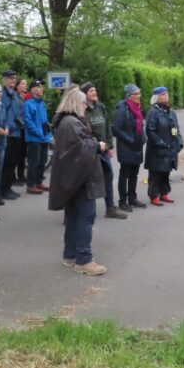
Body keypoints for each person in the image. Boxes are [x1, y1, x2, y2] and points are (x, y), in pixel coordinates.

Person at [48, 87, 107, 276]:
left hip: (72, 178)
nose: (86, 106)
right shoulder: (72, 123)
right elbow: (81, 149)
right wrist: (98, 145)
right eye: (83, 103)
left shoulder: (66, 122)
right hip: (80, 179)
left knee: (73, 217)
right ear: (75, 103)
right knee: (85, 217)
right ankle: (84, 260)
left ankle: (70, 255)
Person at [81, 81, 126, 219]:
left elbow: (107, 126)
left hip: (103, 150)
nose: (94, 93)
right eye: (91, 91)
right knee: (85, 180)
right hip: (90, 151)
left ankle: (110, 208)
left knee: (108, 176)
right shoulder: (81, 110)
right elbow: (82, 132)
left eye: (95, 90)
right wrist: (95, 144)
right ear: (84, 95)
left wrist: (109, 145)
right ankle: (77, 212)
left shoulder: (100, 107)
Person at [144, 86, 184, 207]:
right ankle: (154, 195)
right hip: (157, 149)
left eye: (166, 93)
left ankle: (164, 193)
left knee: (166, 171)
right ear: (156, 98)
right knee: (156, 172)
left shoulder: (171, 112)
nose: (166, 95)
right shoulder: (153, 112)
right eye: (162, 94)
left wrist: (179, 141)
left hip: (170, 147)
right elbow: (150, 131)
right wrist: (160, 143)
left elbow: (176, 129)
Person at [112, 84, 147, 212]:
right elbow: (115, 129)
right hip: (126, 147)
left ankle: (132, 198)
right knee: (124, 175)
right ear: (129, 96)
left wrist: (143, 138)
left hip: (137, 146)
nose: (139, 96)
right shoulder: (122, 110)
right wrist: (130, 140)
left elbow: (140, 126)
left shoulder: (138, 108)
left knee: (134, 174)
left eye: (139, 93)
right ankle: (123, 201)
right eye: (136, 94)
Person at [23, 80, 52, 194]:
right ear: (33, 89)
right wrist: (36, 132)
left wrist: (48, 134)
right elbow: (28, 120)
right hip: (34, 138)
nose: (42, 89)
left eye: (42, 87)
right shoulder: (28, 104)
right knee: (33, 162)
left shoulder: (42, 103)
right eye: (39, 87)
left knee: (42, 161)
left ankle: (39, 182)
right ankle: (31, 185)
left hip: (44, 138)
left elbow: (44, 121)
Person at [0, 71, 24, 199]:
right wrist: (6, 127)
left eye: (15, 78)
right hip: (8, 133)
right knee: (7, 163)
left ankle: (8, 187)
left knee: (13, 162)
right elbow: (2, 112)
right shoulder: (3, 94)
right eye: (11, 78)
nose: (14, 81)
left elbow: (19, 111)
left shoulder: (14, 94)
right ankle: (3, 189)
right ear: (5, 79)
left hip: (16, 132)